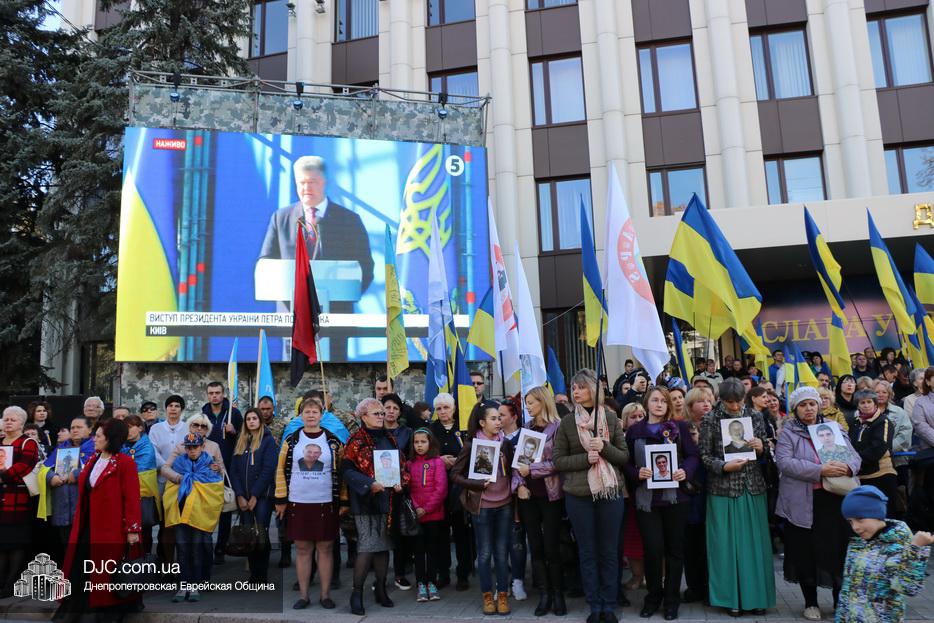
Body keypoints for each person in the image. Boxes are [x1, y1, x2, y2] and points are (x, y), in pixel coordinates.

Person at [259, 156, 373, 360]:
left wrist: (345, 293)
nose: (306, 188)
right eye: (301, 182)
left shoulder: (349, 221)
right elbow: (266, 264)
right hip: (293, 322)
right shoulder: (281, 218)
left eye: (312, 182)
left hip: (335, 322)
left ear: (324, 182)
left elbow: (366, 268)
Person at [775, 387, 861, 621]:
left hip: (835, 500)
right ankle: (811, 602)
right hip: (803, 501)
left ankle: (839, 600)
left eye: (812, 404)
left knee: (837, 550)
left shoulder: (834, 427)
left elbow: (855, 456)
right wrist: (819, 470)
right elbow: (785, 463)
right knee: (806, 553)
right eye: (803, 405)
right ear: (795, 409)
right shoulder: (788, 433)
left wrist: (848, 467)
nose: (809, 409)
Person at [553, 369, 629, 623]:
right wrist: (585, 458)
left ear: (593, 390)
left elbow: (623, 456)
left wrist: (604, 447)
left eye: (581, 387)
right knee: (587, 552)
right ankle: (594, 605)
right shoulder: (566, 422)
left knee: (609, 551)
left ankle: (609, 605)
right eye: (573, 387)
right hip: (579, 495)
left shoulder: (610, 417)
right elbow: (558, 460)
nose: (576, 391)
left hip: (610, 493)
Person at [698, 377, 775, 616]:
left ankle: (757, 597)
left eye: (738, 401)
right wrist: (723, 466)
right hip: (722, 490)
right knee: (725, 546)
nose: (734, 406)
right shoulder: (710, 419)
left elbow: (765, 450)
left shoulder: (755, 416)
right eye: (729, 402)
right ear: (721, 399)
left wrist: (761, 447)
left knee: (756, 545)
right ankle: (730, 598)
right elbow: (704, 455)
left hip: (753, 487)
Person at [54, 419, 142, 620]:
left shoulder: (125, 463)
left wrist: (132, 529)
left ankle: (105, 612)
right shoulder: (93, 459)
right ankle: (79, 611)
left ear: (111, 439)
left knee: (107, 571)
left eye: (99, 436)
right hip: (87, 524)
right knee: (81, 567)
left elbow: (131, 498)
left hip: (111, 527)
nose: (94, 439)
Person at [624, 387, 699, 620]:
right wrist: (636, 473)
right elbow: (625, 462)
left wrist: (685, 471)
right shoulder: (635, 431)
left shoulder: (679, 428)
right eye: (655, 400)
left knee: (674, 551)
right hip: (647, 501)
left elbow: (693, 455)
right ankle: (653, 597)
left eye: (663, 401)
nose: (659, 404)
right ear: (647, 403)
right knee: (653, 550)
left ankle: (671, 600)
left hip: (675, 499)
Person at [275, 397, 344, 609]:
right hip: (298, 501)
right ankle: (304, 596)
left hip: (325, 502)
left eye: (315, 412)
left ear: (321, 415)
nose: (311, 415)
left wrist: (344, 500)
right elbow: (280, 470)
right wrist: (280, 499)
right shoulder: (291, 440)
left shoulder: (333, 441)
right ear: (301, 415)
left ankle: (325, 595)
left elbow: (342, 471)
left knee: (325, 548)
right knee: (303, 549)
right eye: (307, 412)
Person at [342, 397, 406, 616]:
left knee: (383, 546)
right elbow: (347, 471)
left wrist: (401, 483)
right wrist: (369, 484)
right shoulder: (355, 440)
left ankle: (381, 588)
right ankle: (356, 593)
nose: (381, 416)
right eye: (377, 413)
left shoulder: (389, 437)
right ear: (364, 417)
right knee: (368, 546)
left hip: (388, 500)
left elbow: (401, 466)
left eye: (382, 413)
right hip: (366, 501)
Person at [452, 402, 515, 616]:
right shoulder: (472, 445)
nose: (498, 422)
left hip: (505, 504)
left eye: (500, 418)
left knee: (501, 553)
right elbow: (455, 475)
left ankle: (503, 594)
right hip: (483, 506)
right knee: (485, 553)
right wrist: (477, 484)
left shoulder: (505, 443)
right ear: (482, 422)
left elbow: (513, 470)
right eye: (493, 418)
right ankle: (487, 595)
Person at [836, 486, 933, 622]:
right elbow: (848, 590)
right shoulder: (857, 544)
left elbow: (909, 588)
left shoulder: (897, 546)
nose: (855, 527)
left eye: (860, 519)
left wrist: (916, 549)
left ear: (877, 515)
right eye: (850, 521)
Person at [513, 386, 566, 617]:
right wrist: (520, 485)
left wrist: (532, 470)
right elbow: (518, 463)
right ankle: (544, 595)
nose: (528, 407)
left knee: (552, 546)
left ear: (543, 402)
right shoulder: (527, 428)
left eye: (531, 402)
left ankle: (558, 594)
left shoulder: (558, 427)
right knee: (535, 546)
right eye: (526, 403)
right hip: (529, 496)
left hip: (551, 494)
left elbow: (559, 462)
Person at [166, 432, 224, 603]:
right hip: (181, 514)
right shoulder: (178, 463)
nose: (192, 450)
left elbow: (215, 489)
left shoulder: (210, 465)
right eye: (189, 447)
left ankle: (195, 585)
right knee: (182, 550)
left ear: (201, 446)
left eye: (195, 447)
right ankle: (183, 585)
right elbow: (170, 487)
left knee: (196, 551)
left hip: (199, 515)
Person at [429, 392, 472, 590]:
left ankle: (463, 574)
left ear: (454, 409)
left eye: (446, 407)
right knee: (441, 533)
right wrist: (439, 460)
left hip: (459, 487)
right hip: (438, 488)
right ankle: (443, 573)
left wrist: (458, 462)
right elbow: (423, 452)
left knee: (462, 532)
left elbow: (472, 452)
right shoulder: (431, 430)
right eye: (439, 408)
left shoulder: (463, 428)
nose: (443, 411)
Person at [230, 408, 277, 584]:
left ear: (260, 421)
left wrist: (255, 495)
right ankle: (253, 575)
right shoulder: (241, 440)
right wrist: (240, 494)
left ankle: (261, 574)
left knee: (261, 532)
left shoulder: (267, 440)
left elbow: (268, 469)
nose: (251, 421)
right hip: (243, 496)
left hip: (262, 496)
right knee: (248, 533)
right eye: (248, 419)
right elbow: (234, 470)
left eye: (254, 418)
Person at [0, 406, 40, 598]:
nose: (8, 422)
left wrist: (3, 476)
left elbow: (25, 466)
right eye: (6, 419)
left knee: (16, 541)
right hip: (1, 498)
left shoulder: (28, 442)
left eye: (13, 419)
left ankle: (11, 584)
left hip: (18, 499)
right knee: (1, 542)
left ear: (22, 423)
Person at [201, 381, 242, 564]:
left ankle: (221, 547)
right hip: (207, 469)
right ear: (207, 395)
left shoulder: (234, 413)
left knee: (225, 508)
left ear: (223, 394)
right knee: (208, 508)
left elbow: (245, 437)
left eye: (217, 392)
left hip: (228, 467)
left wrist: (234, 431)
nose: (214, 396)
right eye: (211, 393)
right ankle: (206, 546)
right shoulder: (203, 415)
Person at [407, 428, 448, 603]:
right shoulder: (409, 464)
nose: (419, 445)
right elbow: (409, 490)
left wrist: (426, 508)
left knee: (432, 550)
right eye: (416, 442)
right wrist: (417, 507)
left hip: (434, 514)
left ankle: (431, 581)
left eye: (423, 442)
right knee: (418, 551)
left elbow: (441, 488)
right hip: (416, 516)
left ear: (430, 443)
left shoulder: (437, 462)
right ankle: (420, 583)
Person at [44, 417, 92, 563]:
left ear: (90, 429)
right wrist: (51, 477)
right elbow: (45, 468)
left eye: (79, 427)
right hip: (62, 507)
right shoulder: (62, 447)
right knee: (67, 551)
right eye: (72, 428)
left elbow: (96, 469)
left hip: (84, 507)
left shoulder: (95, 446)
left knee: (85, 553)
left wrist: (77, 474)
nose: (75, 430)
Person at [850, 389, 897, 516]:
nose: (866, 405)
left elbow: (879, 448)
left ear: (875, 403)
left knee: (885, 515)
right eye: (862, 402)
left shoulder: (883, 421)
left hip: (881, 474)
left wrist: (855, 460)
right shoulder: (855, 423)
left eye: (869, 402)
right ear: (858, 406)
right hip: (860, 476)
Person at [121, 415, 162, 556]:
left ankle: (146, 560)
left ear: (140, 428)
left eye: (130, 427)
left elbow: (136, 470)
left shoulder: (147, 447)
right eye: (125, 428)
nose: (127, 431)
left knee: (144, 531)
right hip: (125, 496)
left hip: (144, 496)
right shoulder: (121, 445)